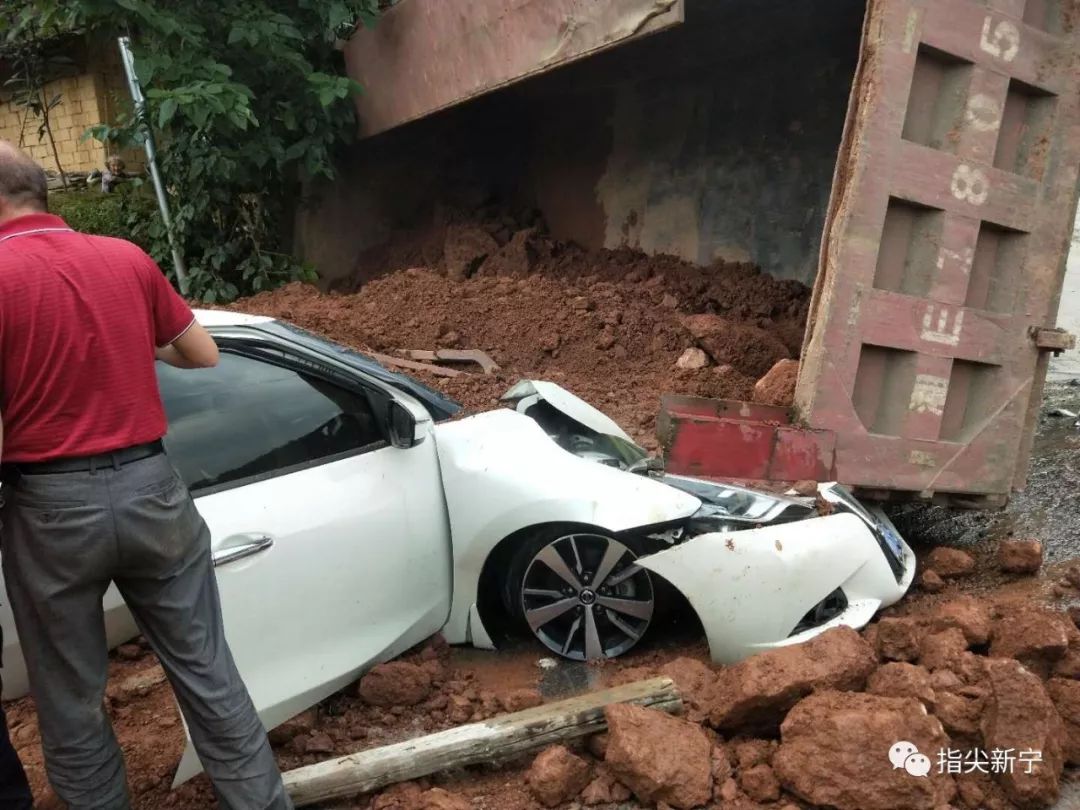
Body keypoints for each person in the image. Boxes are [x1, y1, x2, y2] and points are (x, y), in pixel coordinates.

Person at [0, 141, 293, 809]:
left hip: (50, 509)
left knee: (71, 702)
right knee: (208, 676)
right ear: (42, 193)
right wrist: (126, 341)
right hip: (152, 490)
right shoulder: (125, 259)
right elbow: (203, 352)